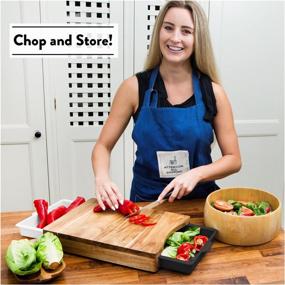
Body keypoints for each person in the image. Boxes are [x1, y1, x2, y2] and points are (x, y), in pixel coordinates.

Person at [91, 0, 241, 211]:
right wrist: (102, 177)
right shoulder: (133, 88)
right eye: (168, 27)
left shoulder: (214, 93)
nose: (175, 38)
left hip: (198, 204)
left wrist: (196, 174)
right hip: (147, 203)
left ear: (198, 39)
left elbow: (234, 159)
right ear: (159, 32)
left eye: (186, 31)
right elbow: (102, 146)